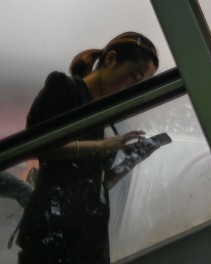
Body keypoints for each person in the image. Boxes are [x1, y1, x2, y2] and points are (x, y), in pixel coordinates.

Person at [17, 32, 160, 264]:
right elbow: (37, 146)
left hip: (91, 237)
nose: (134, 88)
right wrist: (102, 145)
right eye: (133, 77)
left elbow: (96, 183)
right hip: (53, 227)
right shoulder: (65, 88)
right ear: (111, 59)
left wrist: (131, 160)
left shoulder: (109, 117)